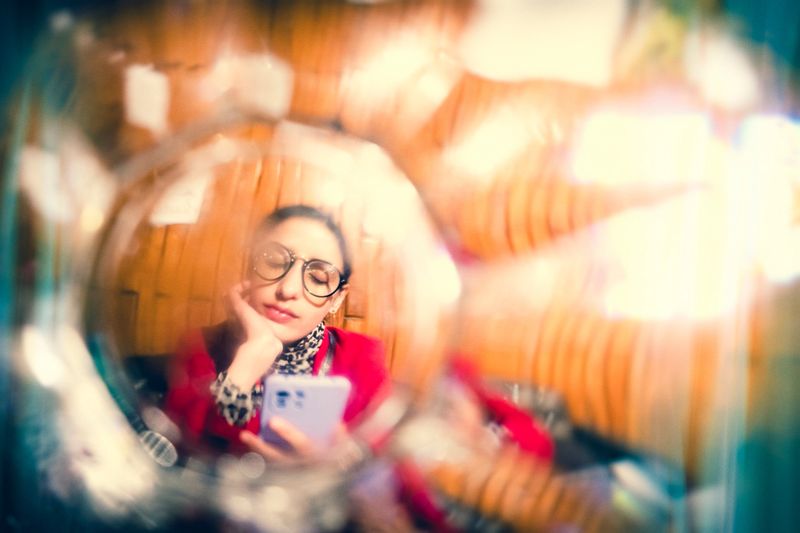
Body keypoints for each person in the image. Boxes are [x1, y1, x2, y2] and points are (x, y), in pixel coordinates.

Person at [165, 205, 390, 459]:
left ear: (337, 298)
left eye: (318, 278)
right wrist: (244, 368)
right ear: (250, 267)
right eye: (273, 262)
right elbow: (179, 453)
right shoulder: (203, 345)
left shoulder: (361, 358)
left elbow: (391, 466)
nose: (288, 289)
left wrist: (334, 468)